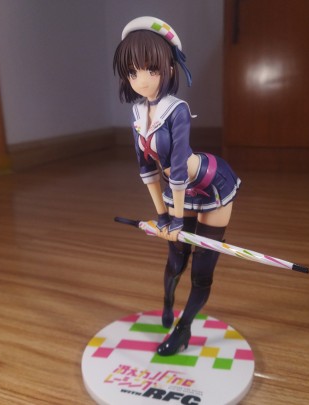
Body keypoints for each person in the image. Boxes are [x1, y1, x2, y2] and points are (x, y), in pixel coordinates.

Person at [113, 16, 241, 356]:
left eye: (151, 69)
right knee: (175, 260)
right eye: (132, 72)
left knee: (201, 269)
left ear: (169, 67)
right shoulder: (138, 113)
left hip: (211, 185)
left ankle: (184, 329)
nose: (141, 80)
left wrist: (176, 220)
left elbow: (180, 168)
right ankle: (168, 303)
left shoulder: (177, 110)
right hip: (175, 188)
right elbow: (147, 170)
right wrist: (163, 217)